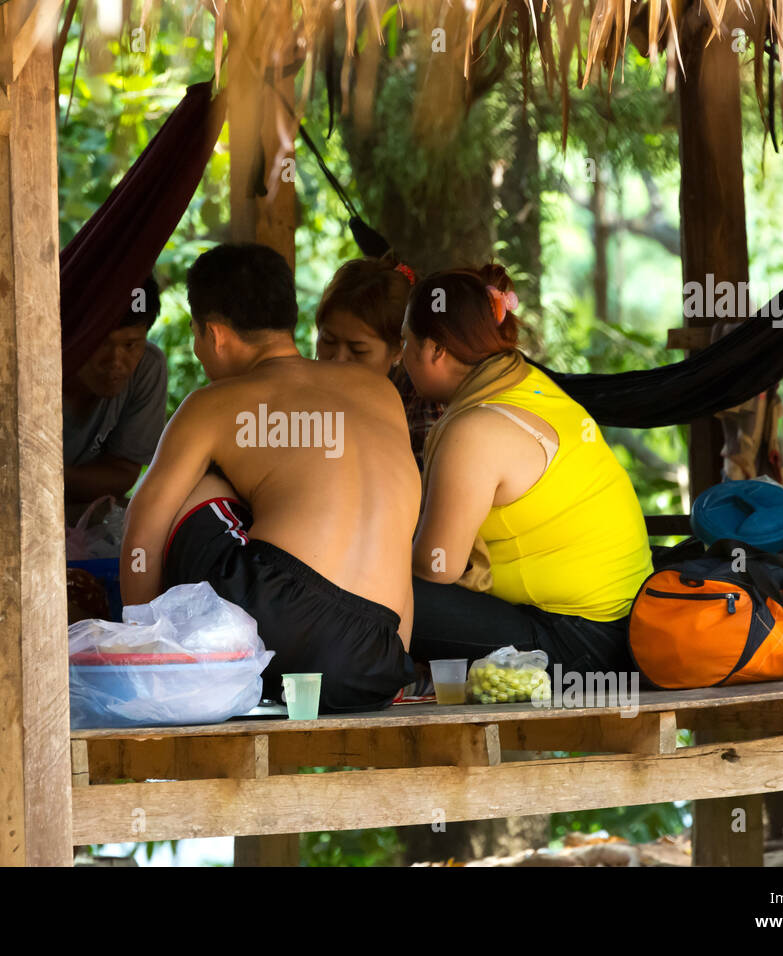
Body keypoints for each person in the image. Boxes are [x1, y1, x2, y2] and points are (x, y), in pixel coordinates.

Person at [120, 243, 419, 712]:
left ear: (215, 335)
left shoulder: (212, 404)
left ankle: (178, 664)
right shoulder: (381, 391)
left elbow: (142, 533)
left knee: (197, 482)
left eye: (197, 338)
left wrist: (138, 643)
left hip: (273, 637)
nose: (200, 354)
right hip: (377, 661)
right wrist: (397, 657)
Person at [403, 264, 653, 676]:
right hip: (621, 629)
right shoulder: (527, 383)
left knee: (373, 592)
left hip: (578, 644)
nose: (403, 357)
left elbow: (436, 564)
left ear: (434, 350)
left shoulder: (475, 428)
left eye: (406, 342)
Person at [315, 256, 444, 470]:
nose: (338, 359)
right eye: (328, 341)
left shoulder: (422, 407)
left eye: (358, 350)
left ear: (397, 349)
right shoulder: (303, 389)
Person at [64, 273, 168, 517]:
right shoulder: (29, 369)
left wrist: (42, 475)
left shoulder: (147, 367)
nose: (115, 362)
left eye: (131, 345)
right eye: (100, 343)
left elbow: (123, 474)